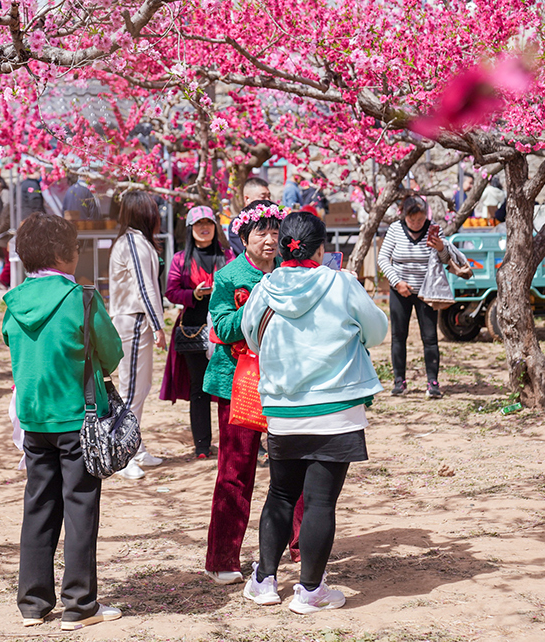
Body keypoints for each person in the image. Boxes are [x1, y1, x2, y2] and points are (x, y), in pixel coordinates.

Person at [241, 211, 388, 614]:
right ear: (322, 248)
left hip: (284, 411)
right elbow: (377, 331)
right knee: (321, 502)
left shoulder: (266, 287)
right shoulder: (341, 283)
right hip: (337, 410)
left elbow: (250, 334)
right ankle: (310, 592)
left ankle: (265, 581)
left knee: (281, 494)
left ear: (283, 245)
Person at [2, 212, 124, 631]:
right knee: (80, 509)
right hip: (78, 421)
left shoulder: (13, 302)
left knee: (38, 506)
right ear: (61, 253)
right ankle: (80, 605)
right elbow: (112, 354)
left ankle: (33, 604)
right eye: (76, 248)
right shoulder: (82, 299)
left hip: (34, 422)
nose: (79, 254)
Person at [203, 199, 288, 585]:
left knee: (294, 465)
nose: (270, 240)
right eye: (261, 232)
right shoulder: (228, 276)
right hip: (236, 382)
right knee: (236, 470)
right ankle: (223, 558)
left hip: (287, 381)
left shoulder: (291, 272)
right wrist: (257, 305)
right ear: (243, 238)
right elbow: (222, 327)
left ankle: (301, 546)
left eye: (276, 232)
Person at [161, 206, 235, 458]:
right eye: (198, 224)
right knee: (199, 388)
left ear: (216, 227)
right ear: (190, 229)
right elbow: (170, 292)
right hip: (192, 330)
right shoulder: (180, 259)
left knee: (228, 386)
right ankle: (202, 445)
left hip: (224, 330)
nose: (204, 228)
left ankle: (231, 443)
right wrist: (194, 294)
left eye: (209, 223)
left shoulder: (228, 256)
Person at [108, 191, 166, 479]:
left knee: (141, 388)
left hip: (138, 320)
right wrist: (158, 325)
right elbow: (145, 288)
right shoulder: (132, 243)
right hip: (133, 320)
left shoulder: (138, 241)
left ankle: (136, 445)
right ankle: (121, 453)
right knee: (131, 389)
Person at [377, 196, 449, 399]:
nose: (417, 224)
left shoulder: (434, 228)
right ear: (404, 216)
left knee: (430, 337)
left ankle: (433, 382)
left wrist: (441, 247)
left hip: (427, 291)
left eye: (420, 220)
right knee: (399, 336)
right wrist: (397, 282)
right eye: (412, 220)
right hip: (400, 290)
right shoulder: (395, 229)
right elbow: (383, 258)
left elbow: (444, 259)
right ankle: (399, 381)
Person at [229, 177, 274, 254]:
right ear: (247, 199)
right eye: (263, 197)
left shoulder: (274, 220)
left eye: (269, 196)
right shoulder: (238, 224)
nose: (268, 200)